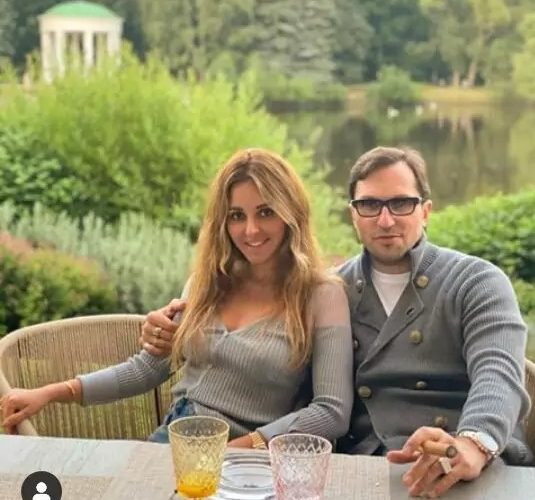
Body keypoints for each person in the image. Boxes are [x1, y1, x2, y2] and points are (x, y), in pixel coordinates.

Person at [140, 146, 533, 497]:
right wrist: (173, 333)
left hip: (459, 464)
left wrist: (473, 442)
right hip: (357, 469)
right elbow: (284, 376)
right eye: (369, 205)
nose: (385, 220)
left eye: (401, 203)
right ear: (353, 215)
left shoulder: (476, 282)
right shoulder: (326, 293)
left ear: (426, 210)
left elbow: (498, 373)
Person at [0, 148, 354, 447]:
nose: (250, 230)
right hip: (174, 441)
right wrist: (49, 393)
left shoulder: (322, 294)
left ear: (291, 215)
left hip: (254, 461)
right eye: (236, 216)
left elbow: (331, 412)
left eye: (266, 212)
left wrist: (238, 449)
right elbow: (147, 369)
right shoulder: (208, 282)